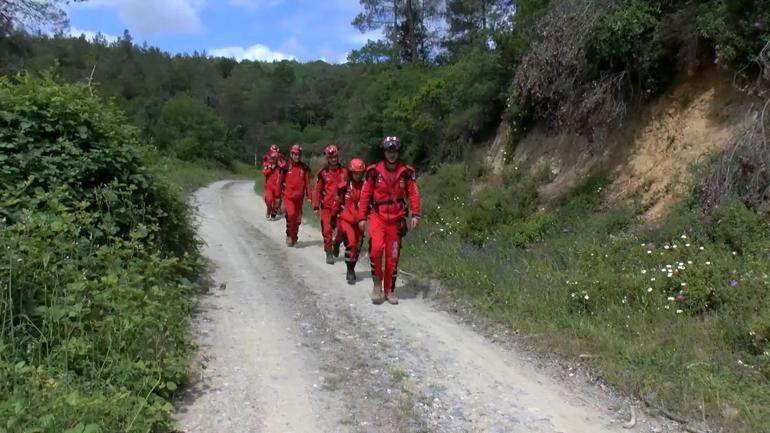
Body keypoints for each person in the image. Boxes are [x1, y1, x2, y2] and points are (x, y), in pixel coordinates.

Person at [358, 136, 420, 305]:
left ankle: (389, 289)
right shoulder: (373, 171)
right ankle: (377, 285)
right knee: (376, 250)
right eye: (388, 151)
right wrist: (361, 217)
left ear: (398, 152)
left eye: (394, 151)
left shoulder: (406, 172)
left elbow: (413, 193)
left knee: (393, 256)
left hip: (397, 218)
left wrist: (415, 214)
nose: (391, 154)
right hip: (378, 217)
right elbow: (365, 194)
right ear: (384, 152)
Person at [333, 158, 367, 284]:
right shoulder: (344, 186)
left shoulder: (366, 187)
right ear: (351, 172)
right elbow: (337, 201)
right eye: (355, 173)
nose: (357, 175)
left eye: (360, 173)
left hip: (360, 221)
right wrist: (333, 216)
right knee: (351, 243)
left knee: (357, 246)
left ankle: (352, 266)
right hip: (346, 219)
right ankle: (350, 270)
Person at [313, 144, 348, 264]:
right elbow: (318, 190)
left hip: (341, 207)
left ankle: (337, 243)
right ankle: (328, 252)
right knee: (327, 231)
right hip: (327, 207)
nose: (334, 159)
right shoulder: (322, 173)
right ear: (328, 158)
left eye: (335, 157)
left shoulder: (345, 172)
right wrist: (316, 206)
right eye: (331, 157)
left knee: (343, 230)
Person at [281, 144, 312, 246]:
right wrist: (277, 196)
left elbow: (307, 183)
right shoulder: (286, 167)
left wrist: (309, 196)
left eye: (298, 155)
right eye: (294, 154)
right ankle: (289, 235)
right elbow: (280, 182)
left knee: (297, 219)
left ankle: (294, 237)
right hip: (288, 197)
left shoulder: (304, 168)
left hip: (299, 198)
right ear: (291, 154)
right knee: (291, 215)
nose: (296, 157)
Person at [262, 146, 285, 220]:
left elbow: (286, 169)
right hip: (269, 186)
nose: (274, 155)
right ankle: (269, 211)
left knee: (277, 203)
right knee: (268, 200)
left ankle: (273, 214)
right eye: (273, 153)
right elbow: (264, 173)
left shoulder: (281, 161)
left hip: (278, 186)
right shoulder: (267, 162)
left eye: (276, 153)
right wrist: (271, 168)